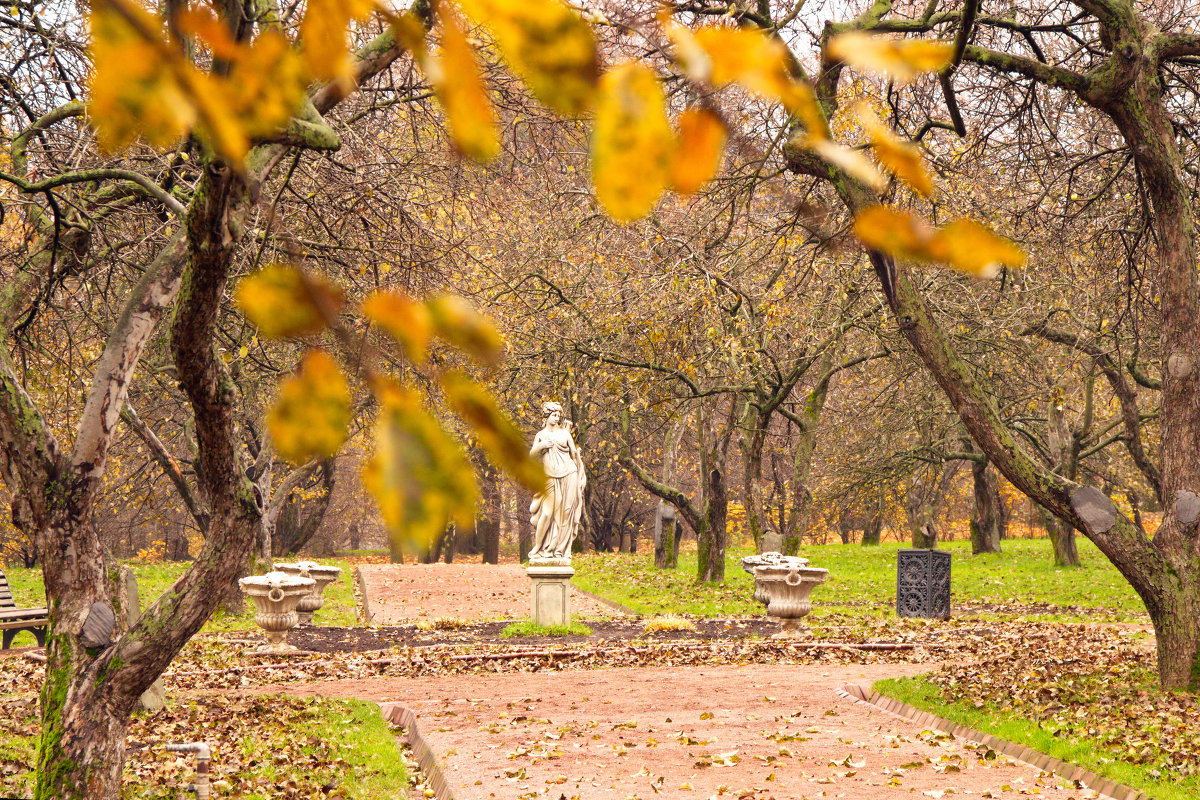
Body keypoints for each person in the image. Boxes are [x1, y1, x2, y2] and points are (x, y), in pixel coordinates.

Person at [528, 402, 585, 559]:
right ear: (546, 416)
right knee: (547, 513)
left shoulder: (565, 434)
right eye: (554, 415)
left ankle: (557, 549)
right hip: (549, 475)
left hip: (569, 473)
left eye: (559, 415)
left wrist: (580, 471)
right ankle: (538, 547)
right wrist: (541, 447)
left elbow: (574, 454)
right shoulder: (541, 435)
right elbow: (531, 456)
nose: (557, 418)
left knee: (565, 513)